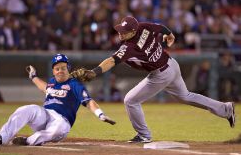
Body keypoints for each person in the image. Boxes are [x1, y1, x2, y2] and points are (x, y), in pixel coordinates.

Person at [70, 16, 235, 143]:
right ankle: (226, 109)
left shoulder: (129, 46)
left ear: (134, 31)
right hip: (171, 64)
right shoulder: (143, 27)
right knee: (186, 96)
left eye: (125, 31)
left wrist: (94, 71)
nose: (121, 32)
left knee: (130, 100)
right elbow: (161, 27)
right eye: (120, 29)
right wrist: (170, 35)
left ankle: (143, 135)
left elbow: (112, 60)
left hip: (160, 74)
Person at [0, 53, 115, 146]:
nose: (60, 70)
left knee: (57, 129)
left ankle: (27, 141)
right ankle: (2, 137)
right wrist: (33, 76)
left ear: (68, 69)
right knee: (26, 109)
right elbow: (44, 87)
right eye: (57, 68)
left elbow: (88, 102)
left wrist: (100, 114)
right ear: (53, 71)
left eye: (63, 68)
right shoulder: (51, 82)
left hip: (61, 121)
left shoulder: (75, 85)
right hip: (45, 115)